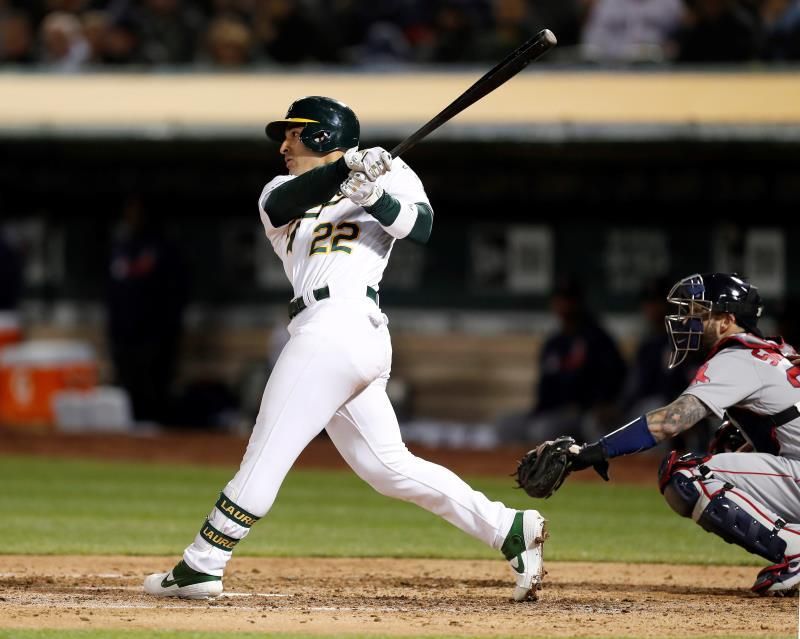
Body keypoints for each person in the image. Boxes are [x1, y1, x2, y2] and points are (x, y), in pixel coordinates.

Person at [143, 96, 547, 602]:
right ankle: (508, 528)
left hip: (343, 328)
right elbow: (282, 206)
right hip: (328, 330)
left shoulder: (391, 170)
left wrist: (375, 195)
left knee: (265, 455)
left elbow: (418, 228)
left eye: (293, 134)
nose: (284, 146)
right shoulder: (282, 189)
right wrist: (346, 170)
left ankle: (202, 564)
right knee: (387, 467)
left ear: (322, 135)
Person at [555, 273, 800, 595]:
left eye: (699, 313)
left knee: (684, 474)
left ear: (727, 320)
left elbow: (671, 421)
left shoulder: (737, 358)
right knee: (729, 441)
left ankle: (793, 551)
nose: (688, 321)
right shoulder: (776, 351)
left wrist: (594, 451)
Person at [529, 275, 627, 442]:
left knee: (546, 429)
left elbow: (613, 380)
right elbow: (545, 389)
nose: (564, 304)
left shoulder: (597, 338)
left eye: (569, 298)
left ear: (579, 301)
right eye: (560, 298)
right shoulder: (553, 344)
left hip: (587, 413)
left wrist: (599, 404)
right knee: (507, 425)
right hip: (557, 412)